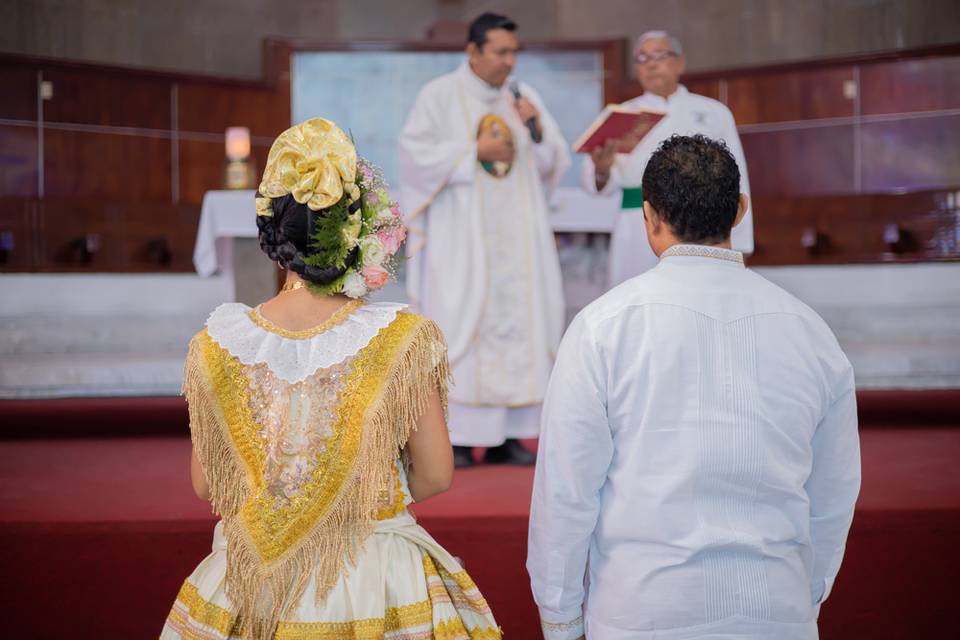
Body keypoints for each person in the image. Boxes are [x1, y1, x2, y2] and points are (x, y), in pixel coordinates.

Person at [161, 118, 501, 640]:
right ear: (358, 233)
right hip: (374, 572)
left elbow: (208, 483)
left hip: (250, 579)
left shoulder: (216, 343)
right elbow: (434, 475)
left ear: (273, 235)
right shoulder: (403, 338)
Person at [528, 135, 860, 640]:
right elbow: (834, 493)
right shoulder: (809, 330)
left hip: (643, 611)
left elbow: (566, 493)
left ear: (650, 217)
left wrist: (561, 617)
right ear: (740, 211)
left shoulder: (603, 327)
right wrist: (801, 595)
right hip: (775, 610)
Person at [399, 12, 571, 469]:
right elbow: (414, 158)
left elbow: (556, 159)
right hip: (462, 239)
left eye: (514, 52)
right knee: (462, 328)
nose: (510, 62)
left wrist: (533, 131)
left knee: (519, 323)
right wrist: (473, 152)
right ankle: (456, 438)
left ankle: (508, 437)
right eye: (501, 52)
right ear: (472, 51)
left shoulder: (523, 96)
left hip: (519, 238)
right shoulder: (439, 95)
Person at [583, 30, 754, 288]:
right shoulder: (619, 116)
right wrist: (602, 170)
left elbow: (736, 177)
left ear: (680, 62)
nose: (651, 64)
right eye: (642, 58)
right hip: (637, 223)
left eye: (660, 55)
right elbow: (594, 181)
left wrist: (741, 241)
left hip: (701, 222)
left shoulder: (713, 112)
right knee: (637, 298)